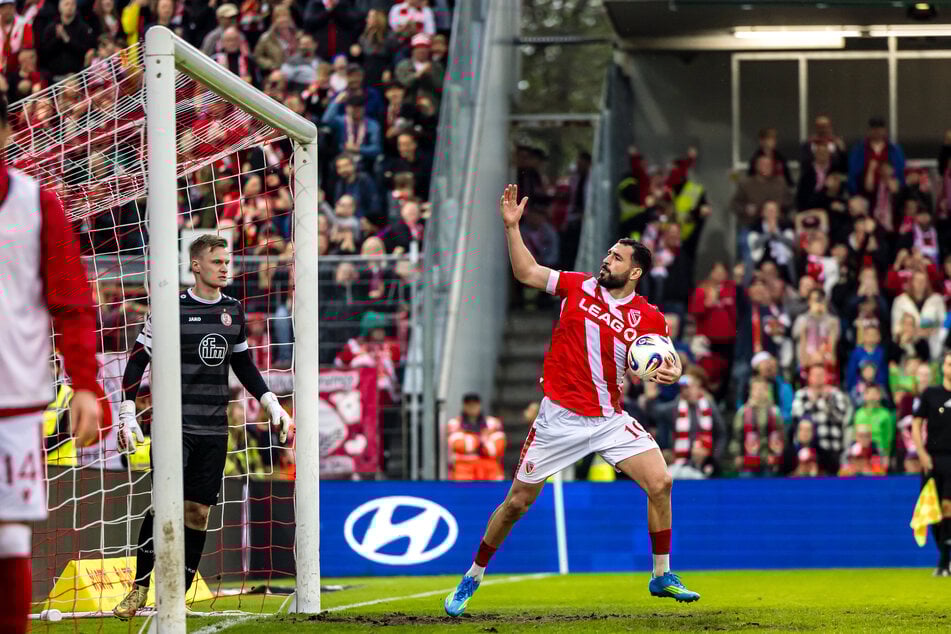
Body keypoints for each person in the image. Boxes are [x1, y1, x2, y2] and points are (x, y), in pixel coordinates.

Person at [444, 185, 699, 619]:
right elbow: (527, 272)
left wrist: (675, 370)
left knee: (661, 483)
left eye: (617, 258)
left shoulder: (649, 317)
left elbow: (667, 361)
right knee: (516, 505)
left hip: (608, 418)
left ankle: (661, 574)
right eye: (608, 254)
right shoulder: (576, 286)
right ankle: (472, 575)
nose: (607, 260)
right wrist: (511, 229)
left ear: (635, 272)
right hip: (558, 419)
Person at [113, 235, 293, 619]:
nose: (225, 267)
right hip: (172, 425)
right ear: (196, 266)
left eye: (226, 261)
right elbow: (136, 360)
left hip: (214, 428)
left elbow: (243, 365)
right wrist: (127, 411)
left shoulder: (234, 310)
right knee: (165, 505)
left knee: (197, 514)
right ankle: (139, 588)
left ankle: (178, 592)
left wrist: (270, 401)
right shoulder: (170, 308)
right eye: (216, 261)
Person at [0, 94, 108, 634]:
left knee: (8, 538)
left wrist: (85, 385)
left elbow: (72, 302)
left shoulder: (36, 204)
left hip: (12, 403)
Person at [912, 350, 951, 576]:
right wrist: (922, 454)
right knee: (933, 512)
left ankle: (944, 561)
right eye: (948, 364)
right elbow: (916, 425)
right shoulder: (931, 394)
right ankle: (944, 556)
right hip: (933, 459)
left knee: (948, 507)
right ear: (942, 368)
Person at [447, 393, 506, 481]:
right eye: (469, 404)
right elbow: (459, 445)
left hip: (490, 473)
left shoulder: (493, 422)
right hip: (464, 473)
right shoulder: (454, 423)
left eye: (475, 404)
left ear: (480, 405)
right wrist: (483, 439)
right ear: (464, 406)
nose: (472, 407)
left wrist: (469, 438)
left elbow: (496, 449)